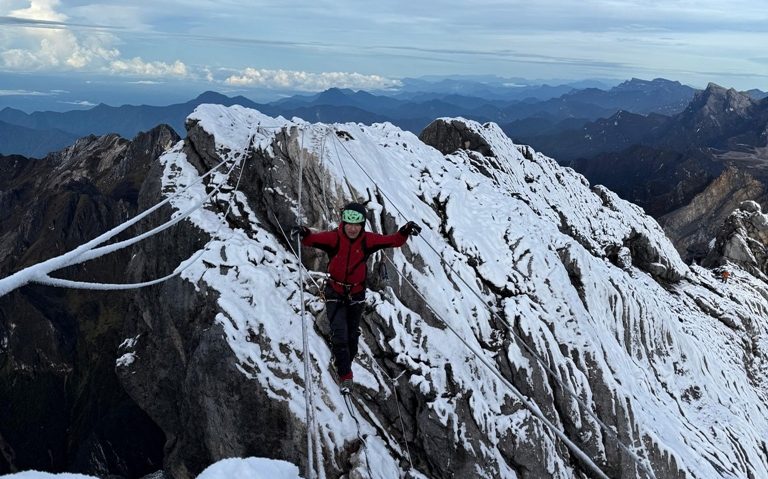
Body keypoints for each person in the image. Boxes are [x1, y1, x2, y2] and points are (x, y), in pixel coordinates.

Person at [291, 202, 421, 393]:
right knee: (340, 333)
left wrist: (406, 230)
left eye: (357, 224)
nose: (352, 228)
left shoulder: (368, 241)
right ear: (343, 223)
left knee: (352, 336)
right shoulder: (334, 238)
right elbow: (312, 239)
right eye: (349, 224)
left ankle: (344, 362)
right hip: (335, 291)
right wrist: (303, 232)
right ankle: (345, 375)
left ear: (362, 225)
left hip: (356, 293)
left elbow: (393, 240)